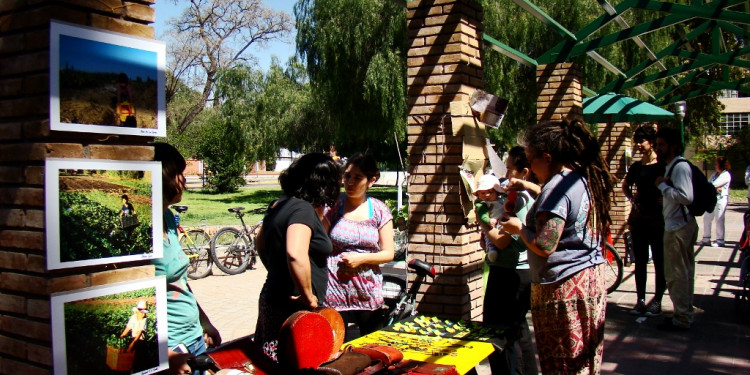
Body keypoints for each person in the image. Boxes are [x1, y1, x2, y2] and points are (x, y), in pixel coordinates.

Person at [500, 118, 613, 374]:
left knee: (563, 363)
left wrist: (519, 228)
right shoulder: (580, 179)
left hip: (563, 289)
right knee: (585, 358)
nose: (529, 167)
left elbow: (545, 244)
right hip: (590, 280)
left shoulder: (555, 189)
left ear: (547, 157)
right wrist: (528, 186)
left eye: (531, 160)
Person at [254, 153, 341, 361]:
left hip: (274, 296)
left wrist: (278, 271)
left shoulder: (280, 204)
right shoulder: (302, 209)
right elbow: (295, 253)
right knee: (293, 363)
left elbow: (260, 243)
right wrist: (308, 295)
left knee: (271, 361)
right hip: (293, 308)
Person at [153, 142, 222, 375]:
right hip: (170, 347)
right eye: (178, 173)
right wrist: (166, 355)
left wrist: (205, 322)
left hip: (193, 338)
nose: (184, 180)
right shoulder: (141, 232)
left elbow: (181, 283)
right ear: (161, 176)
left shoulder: (168, 218)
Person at [476, 146, 538, 375]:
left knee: (503, 333)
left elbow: (502, 242)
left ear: (524, 172)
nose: (506, 174)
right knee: (517, 333)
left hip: (511, 274)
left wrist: (481, 221)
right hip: (512, 270)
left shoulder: (520, 200)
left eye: (510, 169)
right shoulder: (514, 197)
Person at [323, 153, 395, 340]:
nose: (350, 182)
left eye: (357, 177)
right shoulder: (333, 206)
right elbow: (319, 242)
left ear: (371, 181)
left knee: (372, 344)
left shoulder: (379, 210)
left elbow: (388, 253)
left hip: (367, 291)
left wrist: (361, 258)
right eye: (347, 176)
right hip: (334, 289)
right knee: (334, 345)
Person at [653, 127, 698, 331]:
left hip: (678, 227)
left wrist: (663, 187)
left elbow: (686, 197)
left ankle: (681, 317)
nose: (657, 148)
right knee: (684, 272)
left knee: (676, 274)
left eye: (661, 144)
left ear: (672, 146)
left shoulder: (679, 167)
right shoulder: (674, 166)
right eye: (657, 144)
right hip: (679, 224)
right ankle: (684, 313)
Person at [621, 125, 666, 317]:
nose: (638, 145)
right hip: (639, 219)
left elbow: (671, 185)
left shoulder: (662, 164)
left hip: (657, 219)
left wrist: (666, 198)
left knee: (659, 261)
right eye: (636, 141)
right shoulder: (637, 167)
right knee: (639, 261)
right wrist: (632, 199)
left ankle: (657, 300)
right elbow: (625, 184)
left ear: (651, 142)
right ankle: (640, 300)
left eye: (642, 141)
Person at [700, 156, 732, 247]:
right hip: (712, 199)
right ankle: (706, 238)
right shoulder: (714, 174)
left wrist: (713, 187)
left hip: (720, 200)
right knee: (707, 218)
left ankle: (720, 240)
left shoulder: (726, 175)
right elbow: (709, 184)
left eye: (716, 164)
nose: (714, 165)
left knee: (719, 219)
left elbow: (713, 184)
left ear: (721, 165)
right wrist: (713, 188)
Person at [474, 174, 505, 262]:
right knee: (489, 239)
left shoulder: (501, 201)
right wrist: (488, 221)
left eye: (491, 192)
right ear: (478, 194)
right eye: (483, 193)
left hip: (501, 224)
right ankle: (491, 251)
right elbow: (482, 216)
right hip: (490, 224)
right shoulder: (482, 204)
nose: (487, 195)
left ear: (497, 192)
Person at [120, 300, 149, 371]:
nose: (143, 314)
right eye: (141, 312)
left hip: (140, 341)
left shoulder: (144, 320)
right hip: (133, 338)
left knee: (138, 359)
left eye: (144, 312)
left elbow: (139, 333)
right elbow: (128, 327)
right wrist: (122, 336)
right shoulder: (133, 317)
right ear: (137, 311)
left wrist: (132, 344)